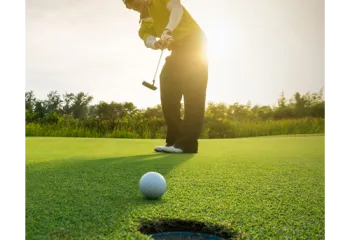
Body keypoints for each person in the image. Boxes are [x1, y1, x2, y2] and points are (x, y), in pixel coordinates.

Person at [122, 0, 208, 153]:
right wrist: (155, 43)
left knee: (193, 91)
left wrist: (168, 30)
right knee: (167, 83)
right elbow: (147, 38)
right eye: (126, 3)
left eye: (129, 0)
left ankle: (187, 144)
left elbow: (176, 9)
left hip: (195, 43)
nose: (128, 5)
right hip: (176, 50)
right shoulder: (144, 23)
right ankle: (174, 141)